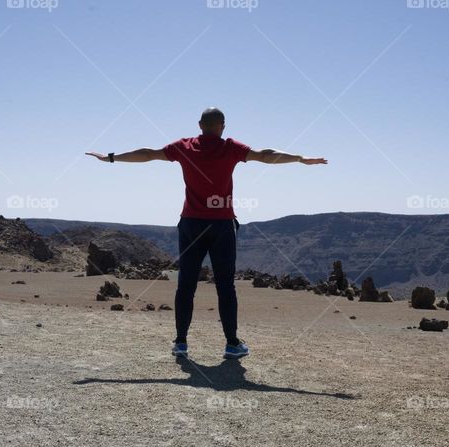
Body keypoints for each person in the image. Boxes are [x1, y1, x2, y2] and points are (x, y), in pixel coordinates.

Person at [86, 107, 327, 359]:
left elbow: (147, 153)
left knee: (186, 284)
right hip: (222, 225)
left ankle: (181, 343)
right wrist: (300, 158)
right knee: (226, 286)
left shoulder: (184, 146)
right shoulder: (231, 147)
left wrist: (110, 157)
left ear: (200, 125)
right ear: (223, 125)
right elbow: (266, 155)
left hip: (191, 224)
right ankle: (232, 344)